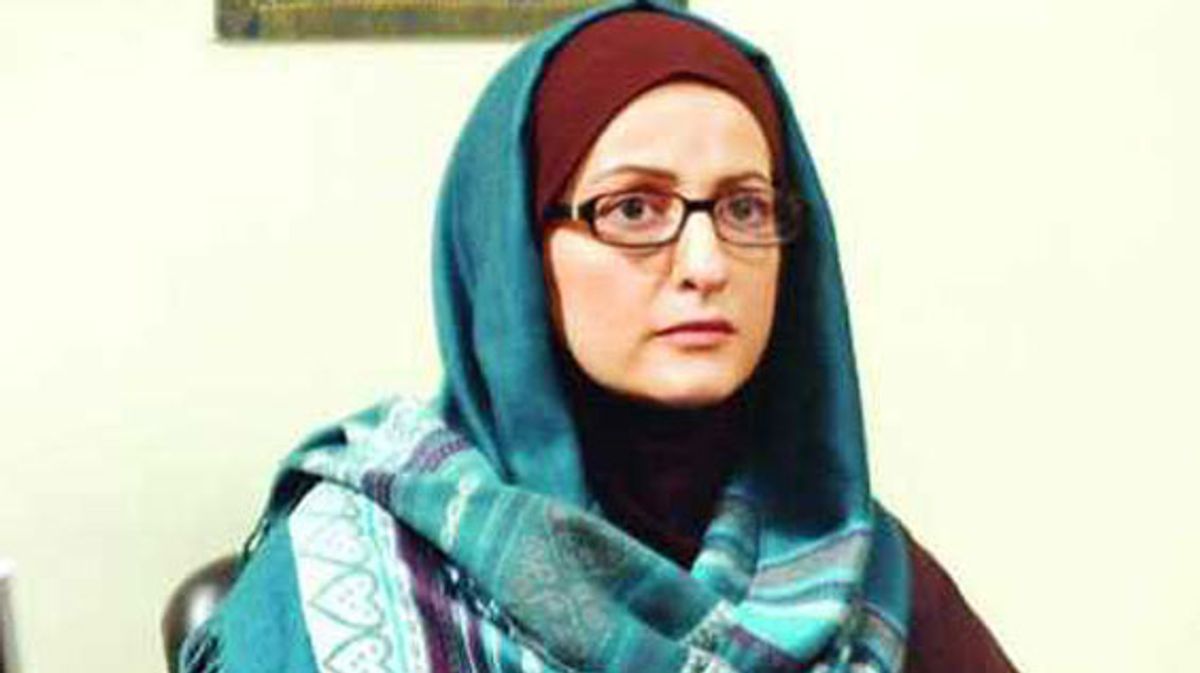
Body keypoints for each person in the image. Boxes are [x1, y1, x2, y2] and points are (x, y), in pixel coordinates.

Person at [178, 2, 1018, 672]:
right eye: (634, 208)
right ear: (515, 254)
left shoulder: (861, 570)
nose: (706, 263)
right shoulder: (352, 571)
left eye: (745, 206)